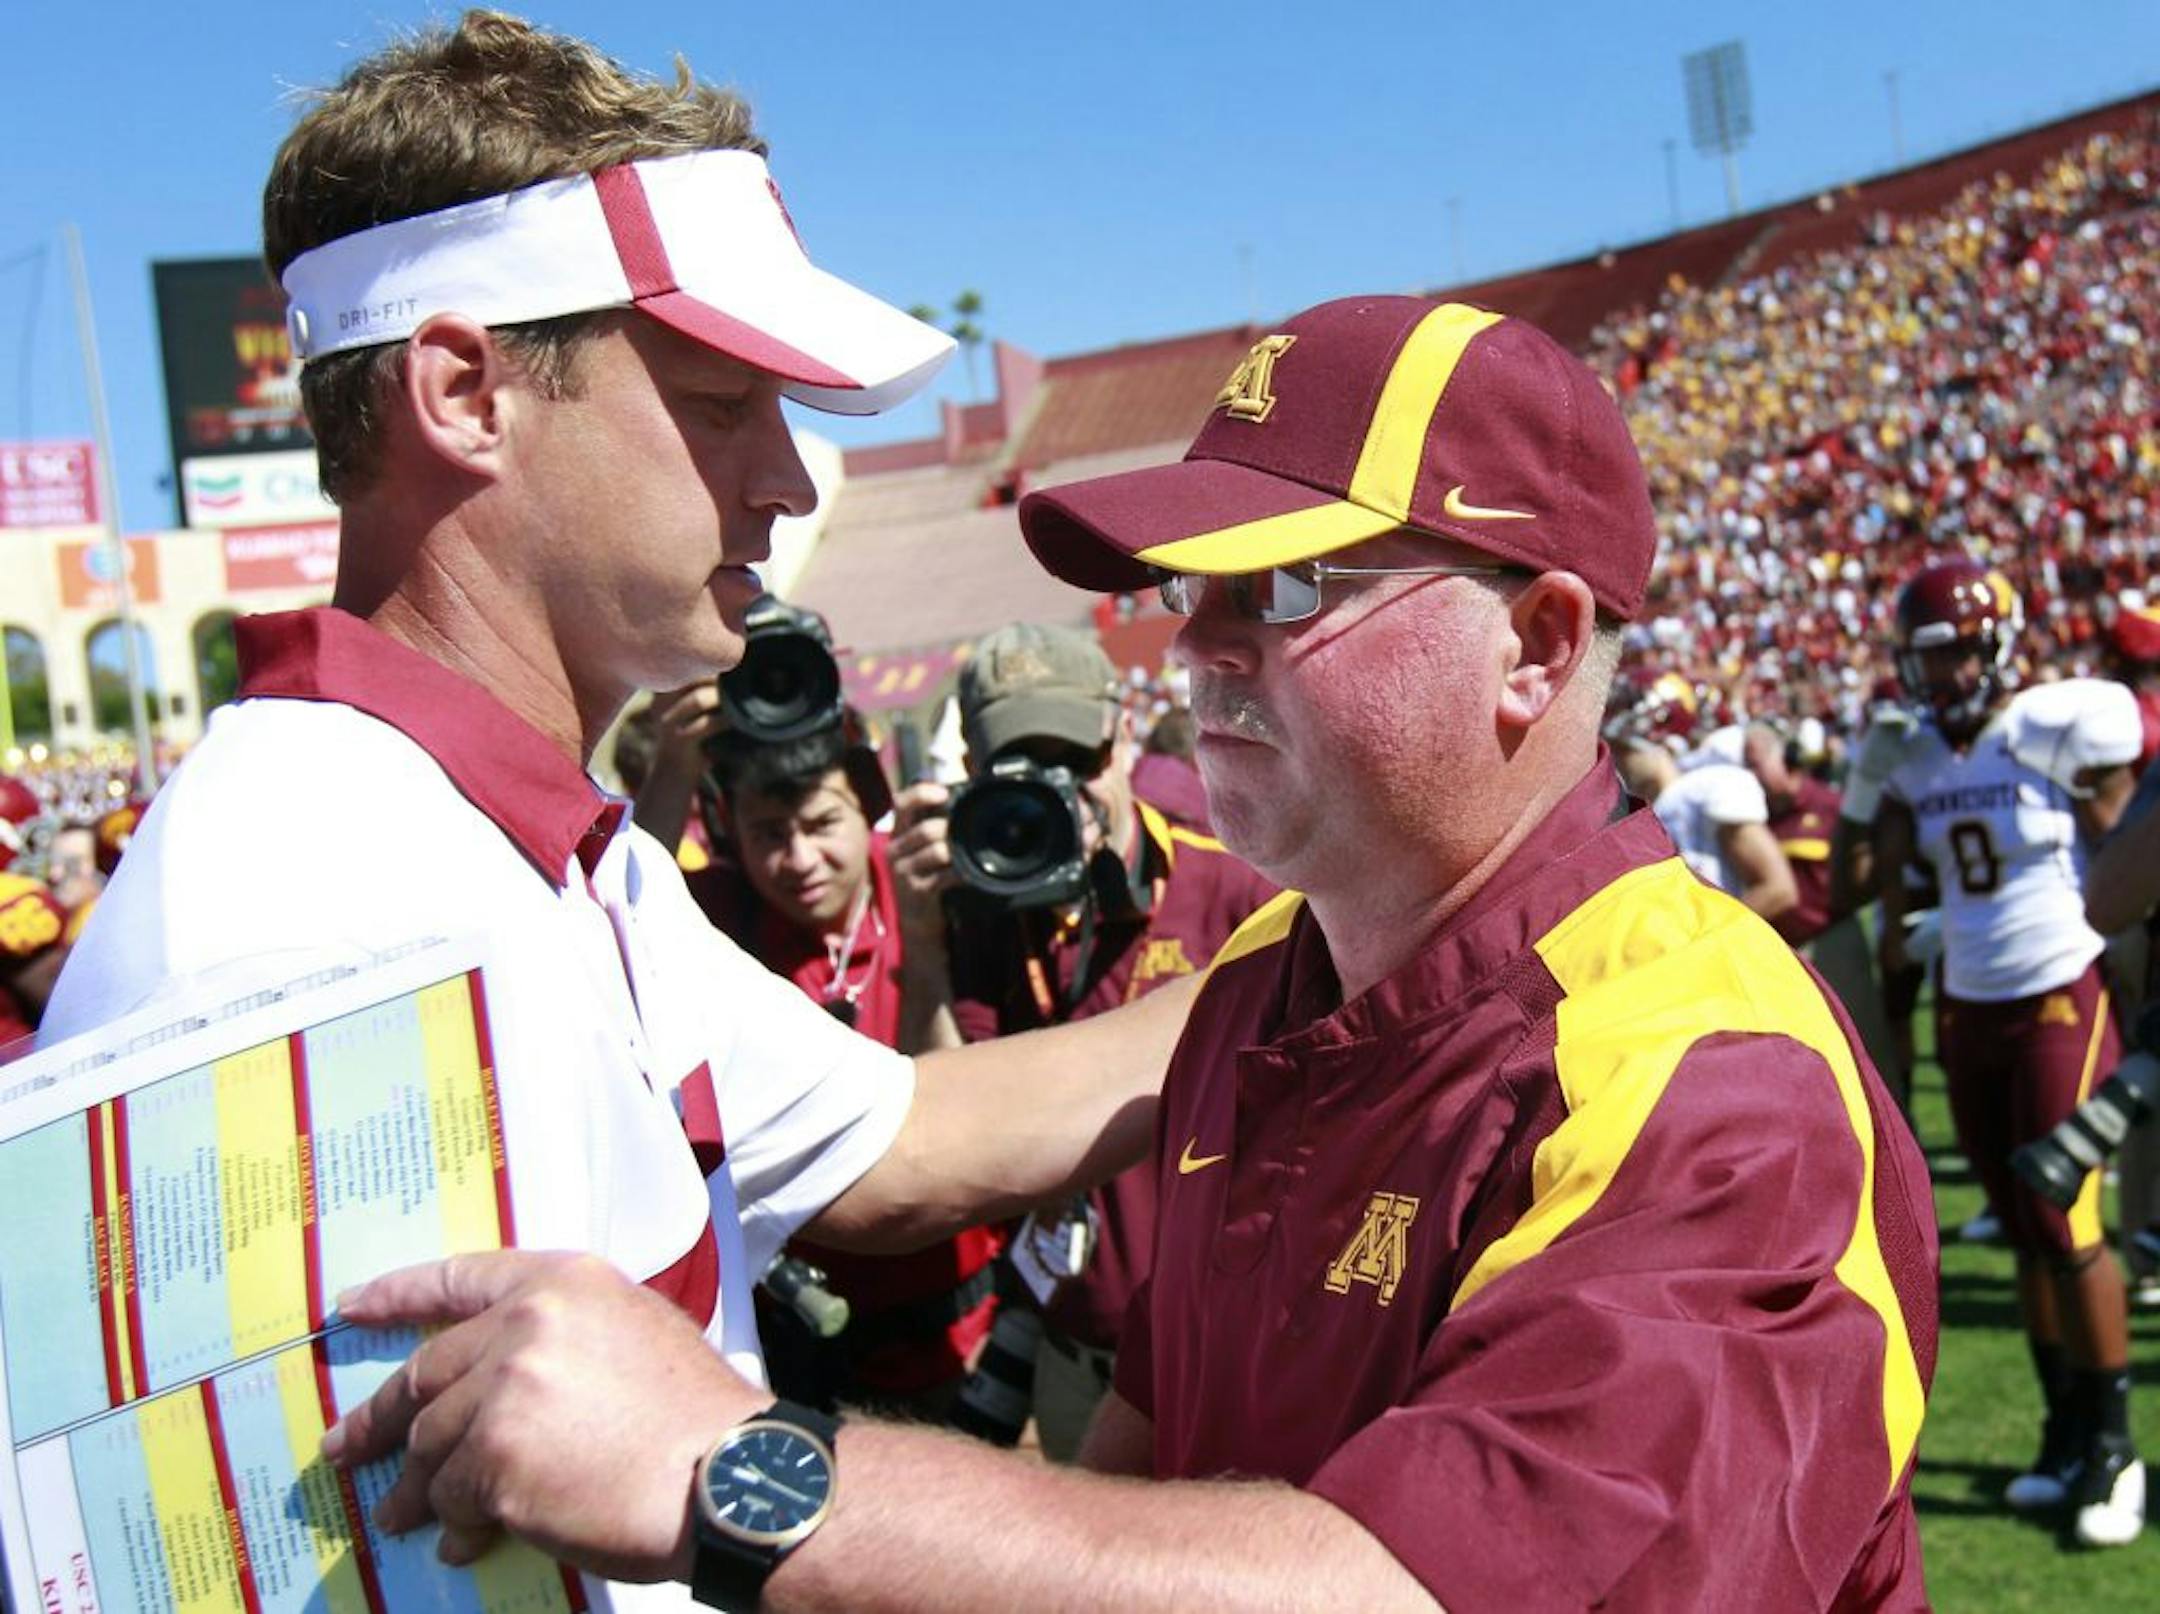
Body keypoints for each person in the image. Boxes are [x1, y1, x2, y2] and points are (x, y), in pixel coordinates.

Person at [328, 296, 1939, 1610]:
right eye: (1189, 585)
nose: (1201, 644)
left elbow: (1421, 1592)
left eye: (1286, 582)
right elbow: (1151, 1467)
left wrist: (741, 1468)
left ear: (1535, 645)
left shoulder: (1714, 1082)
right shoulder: (1266, 995)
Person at [37, 14, 1200, 1608]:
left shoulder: (545, 845)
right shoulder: (301, 927)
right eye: (725, 403)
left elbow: (911, 1139)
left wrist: (1415, 958)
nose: (788, 480)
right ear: (463, 390)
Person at [905, 622, 1273, 1456]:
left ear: (1125, 741)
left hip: (1227, 1361)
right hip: (1077, 1362)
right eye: (1022, 768)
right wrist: (925, 943)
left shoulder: (1231, 888)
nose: (1060, 791)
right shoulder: (979, 913)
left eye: (1079, 761)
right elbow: (947, 1134)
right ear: (970, 779)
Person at [1864, 558, 2145, 1545]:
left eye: (1950, 659)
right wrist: (1916, 916)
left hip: (2058, 991)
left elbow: (2126, 859)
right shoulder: (1911, 761)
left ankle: (2116, 1445)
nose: (1935, 679)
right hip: (1968, 1004)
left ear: (1997, 649)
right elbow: (1883, 890)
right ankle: (2065, 1431)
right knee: (2024, 1229)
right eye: (1921, 662)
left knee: (2068, 1225)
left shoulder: (2047, 734)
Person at [700, 709, 1002, 1418]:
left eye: (820, 824)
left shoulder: (934, 891)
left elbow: (956, 1127)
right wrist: (677, 758)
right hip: (802, 1343)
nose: (800, 860)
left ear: (869, 806)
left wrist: (923, 944)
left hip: (956, 1330)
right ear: (728, 834)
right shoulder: (722, 926)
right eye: (769, 835)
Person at [1610, 731, 1800, 923]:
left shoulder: (1708, 787)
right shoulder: (1643, 816)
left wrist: (1704, 940)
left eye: (1624, 748)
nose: (1618, 760)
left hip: (1728, 945)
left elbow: (1778, 890)